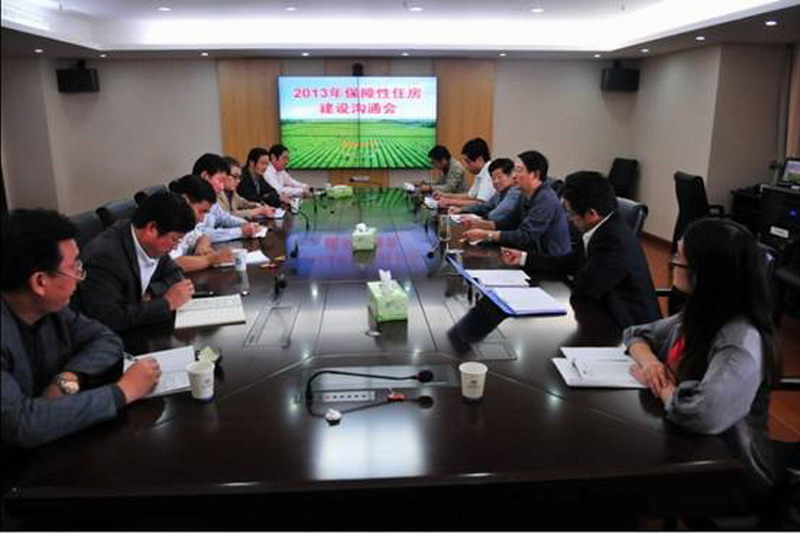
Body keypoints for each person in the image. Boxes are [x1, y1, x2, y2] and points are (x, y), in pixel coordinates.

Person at [624, 218, 779, 503]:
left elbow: (702, 415)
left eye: (679, 258)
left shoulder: (740, 340)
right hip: (688, 442)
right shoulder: (702, 312)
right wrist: (651, 365)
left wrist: (663, 388)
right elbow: (636, 334)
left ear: (705, 274)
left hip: (731, 468)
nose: (672, 262)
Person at [2, 209, 160, 448]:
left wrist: (67, 379)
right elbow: (21, 424)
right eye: (74, 267)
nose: (80, 276)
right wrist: (123, 391)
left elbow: (106, 339)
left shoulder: (52, 310)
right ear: (40, 282)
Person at [501, 171, 660, 328]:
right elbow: (570, 262)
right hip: (604, 310)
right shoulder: (601, 226)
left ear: (592, 214)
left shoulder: (613, 241)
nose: (569, 219)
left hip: (630, 328)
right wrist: (523, 258)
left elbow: (585, 287)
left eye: (571, 213)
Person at [76, 191, 196, 333]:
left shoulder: (153, 245)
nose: (175, 247)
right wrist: (166, 303)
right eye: (174, 239)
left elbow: (175, 274)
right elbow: (108, 319)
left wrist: (151, 293)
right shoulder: (104, 256)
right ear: (152, 229)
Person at [463, 150, 571, 256]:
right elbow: (510, 222)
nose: (514, 176)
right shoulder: (525, 194)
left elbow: (526, 235)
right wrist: (480, 224)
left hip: (549, 259)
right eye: (514, 170)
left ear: (535, 174)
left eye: (519, 170)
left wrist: (488, 235)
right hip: (530, 252)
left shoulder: (546, 199)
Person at [168, 174, 234, 273]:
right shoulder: (169, 222)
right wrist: (211, 259)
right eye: (202, 211)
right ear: (186, 200)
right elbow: (172, 264)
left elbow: (203, 236)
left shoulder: (185, 221)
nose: (202, 219)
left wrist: (202, 246)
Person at [192, 153, 262, 243]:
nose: (222, 188)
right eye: (220, 181)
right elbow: (200, 234)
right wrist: (240, 231)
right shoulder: (191, 199)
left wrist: (245, 224)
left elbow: (225, 218)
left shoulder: (211, 200)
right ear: (205, 176)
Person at [451, 158, 520, 228]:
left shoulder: (516, 191)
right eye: (493, 178)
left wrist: (480, 219)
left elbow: (498, 214)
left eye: (499, 177)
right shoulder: (500, 193)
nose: (496, 181)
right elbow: (484, 206)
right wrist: (462, 209)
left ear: (511, 175)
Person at [435, 138, 495, 208]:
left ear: (480, 160)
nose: (466, 166)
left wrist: (450, 201)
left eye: (468, 162)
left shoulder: (489, 172)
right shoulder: (480, 173)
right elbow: (470, 196)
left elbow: (480, 203)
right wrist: (445, 195)